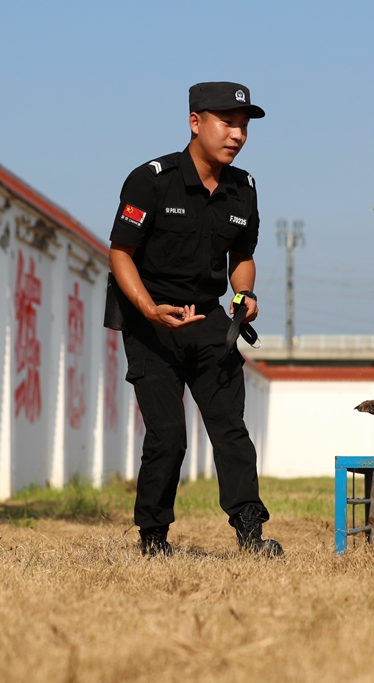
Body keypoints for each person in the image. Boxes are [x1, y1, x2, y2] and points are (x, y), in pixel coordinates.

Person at [104, 82, 282, 558]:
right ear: (195, 121)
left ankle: (251, 536)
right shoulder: (151, 179)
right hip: (151, 324)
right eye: (227, 122)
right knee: (168, 437)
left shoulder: (243, 189)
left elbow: (242, 256)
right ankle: (153, 538)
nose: (237, 134)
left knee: (230, 429)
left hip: (207, 322)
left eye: (243, 125)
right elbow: (121, 253)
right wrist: (146, 309)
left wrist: (244, 293)